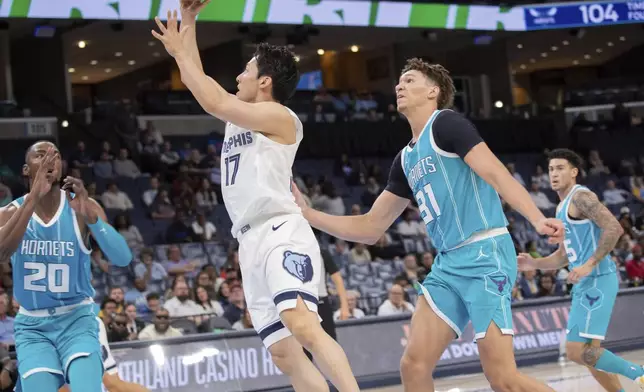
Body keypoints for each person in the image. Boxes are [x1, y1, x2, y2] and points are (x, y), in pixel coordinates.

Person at [291, 58, 564, 392]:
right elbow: (371, 227)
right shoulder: (405, 158)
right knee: (413, 366)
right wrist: (308, 214)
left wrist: (536, 218)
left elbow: (495, 173)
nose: (399, 86)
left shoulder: (447, 124)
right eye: (399, 82)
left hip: (485, 253)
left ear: (433, 91)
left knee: (503, 379)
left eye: (409, 80)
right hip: (448, 265)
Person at [151, 4, 360, 392]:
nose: (237, 76)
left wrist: (179, 50)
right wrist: (190, 23)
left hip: (280, 229)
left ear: (264, 81)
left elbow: (211, 97)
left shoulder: (281, 117)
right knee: (283, 353)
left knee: (303, 326)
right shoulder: (240, 115)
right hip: (248, 240)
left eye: (245, 70)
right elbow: (204, 84)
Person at [0, 141, 132, 392]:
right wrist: (33, 198)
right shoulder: (9, 212)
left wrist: (92, 219)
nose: (50, 160)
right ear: (27, 170)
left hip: (77, 319)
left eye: (56, 155)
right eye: (41, 155)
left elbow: (123, 258)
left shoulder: (82, 206)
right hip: (32, 327)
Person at [519, 148, 644, 391]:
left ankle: (639, 372)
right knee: (591, 356)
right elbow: (565, 256)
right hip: (587, 281)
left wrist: (588, 265)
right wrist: (534, 263)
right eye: (551, 169)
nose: (554, 173)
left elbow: (614, 228)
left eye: (560, 168)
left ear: (574, 172)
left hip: (597, 279)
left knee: (575, 351)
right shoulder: (560, 208)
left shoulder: (580, 197)